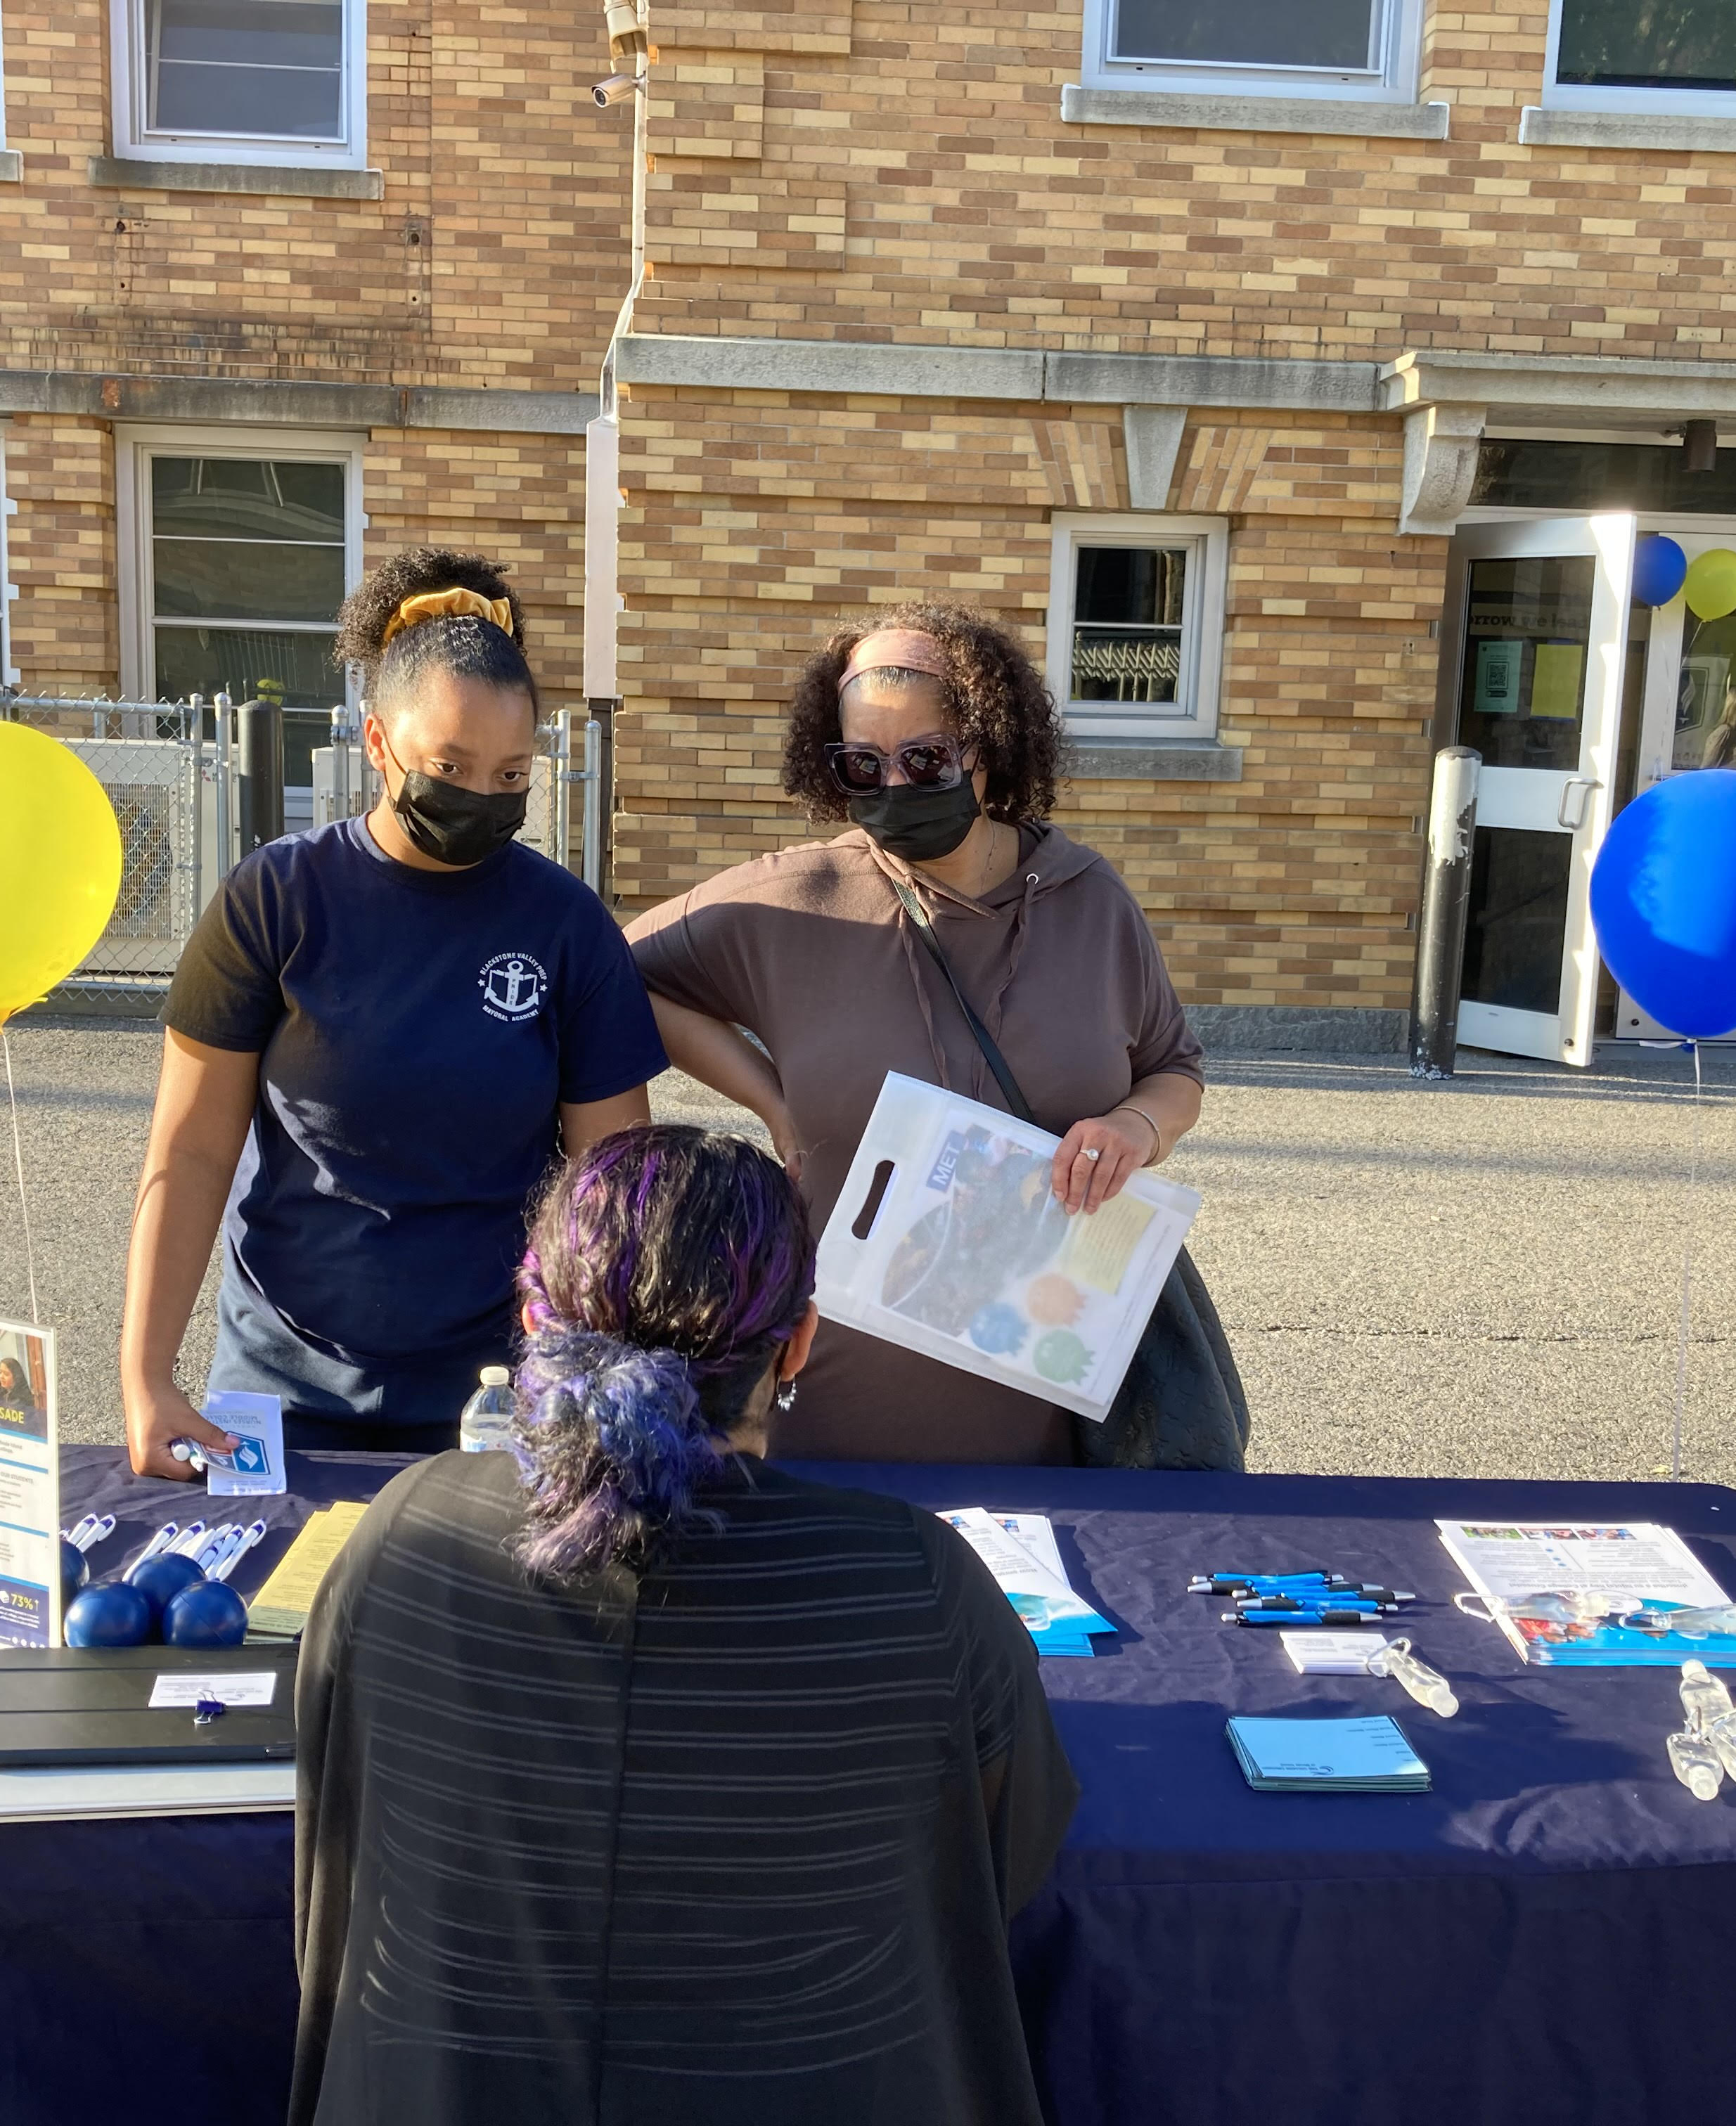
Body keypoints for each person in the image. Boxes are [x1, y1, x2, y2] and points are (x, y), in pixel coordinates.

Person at [291, 1124, 1077, 2126]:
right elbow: (997, 1865)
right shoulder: (921, 1585)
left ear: (534, 1323)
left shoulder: (403, 1537)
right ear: (799, 1341)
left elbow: (345, 1838)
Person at [122, 550, 669, 1474]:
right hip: (280, 1387)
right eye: (449, 767)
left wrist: (606, 1388)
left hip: (498, 1400)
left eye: (509, 777)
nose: (481, 800)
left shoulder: (565, 924)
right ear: (378, 744)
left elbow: (611, 1190)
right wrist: (146, 1375)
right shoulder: (276, 900)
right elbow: (190, 1150)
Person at [626, 604, 1207, 1464]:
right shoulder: (793, 902)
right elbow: (609, 977)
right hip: (825, 1417)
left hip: (1047, 1421)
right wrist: (769, 1098)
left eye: (926, 757)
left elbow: (1173, 1069)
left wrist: (1135, 1129)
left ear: (989, 749)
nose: (895, 786)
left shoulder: (1090, 902)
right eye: (864, 764)